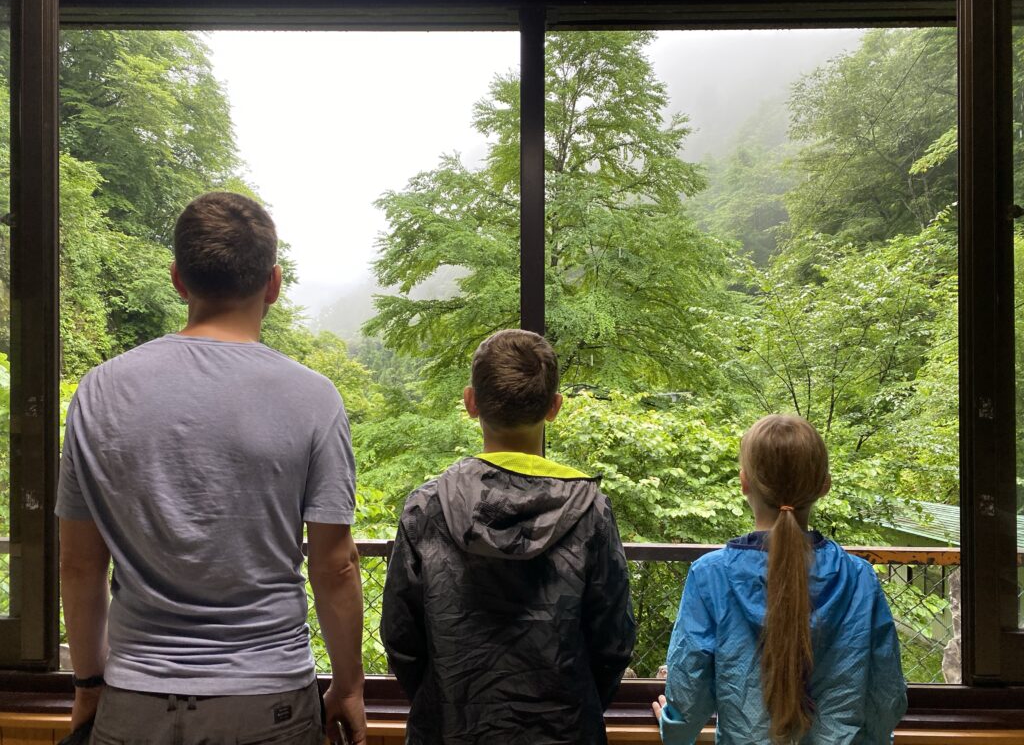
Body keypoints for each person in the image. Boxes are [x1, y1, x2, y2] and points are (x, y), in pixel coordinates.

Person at [56, 192, 367, 745]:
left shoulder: (100, 391)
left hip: (134, 699)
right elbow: (336, 566)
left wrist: (88, 684)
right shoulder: (314, 398)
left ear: (178, 280)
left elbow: (80, 564)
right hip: (269, 699)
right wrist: (348, 686)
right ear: (273, 284)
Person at [381, 329, 636, 745]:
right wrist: (578, 707)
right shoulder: (590, 509)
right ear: (554, 407)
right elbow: (613, 640)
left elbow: (401, 637)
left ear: (470, 402)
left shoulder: (427, 505)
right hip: (565, 732)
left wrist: (440, 704)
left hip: (450, 731)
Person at [652, 414, 907, 744]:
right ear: (824, 485)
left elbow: (689, 692)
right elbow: (886, 696)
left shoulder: (711, 575)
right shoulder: (859, 578)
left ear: (744, 482)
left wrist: (674, 727)